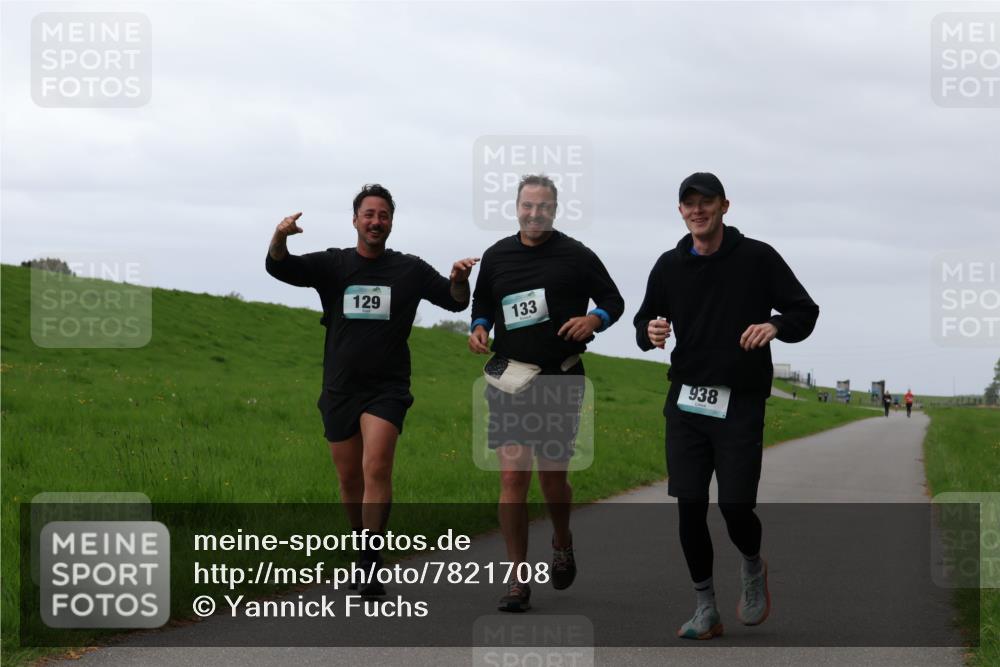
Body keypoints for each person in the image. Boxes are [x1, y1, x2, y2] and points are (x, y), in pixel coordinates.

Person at [265, 184, 477, 596]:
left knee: (376, 467)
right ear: (355, 220)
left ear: (391, 222)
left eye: (383, 215)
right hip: (340, 387)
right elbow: (281, 268)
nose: (376, 221)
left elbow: (454, 303)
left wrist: (459, 280)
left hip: (387, 387)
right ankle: (361, 544)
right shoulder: (334, 265)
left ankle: (369, 562)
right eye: (369, 214)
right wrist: (279, 236)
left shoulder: (409, 270)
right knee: (349, 481)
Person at [633, 172, 819, 639]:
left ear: (724, 206)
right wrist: (650, 332)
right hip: (687, 401)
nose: (698, 210)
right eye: (689, 203)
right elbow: (644, 320)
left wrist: (775, 326)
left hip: (740, 401)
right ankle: (706, 608)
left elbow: (804, 311)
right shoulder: (668, 265)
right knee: (689, 507)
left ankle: (753, 565)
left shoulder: (757, 258)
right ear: (680, 211)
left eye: (706, 202)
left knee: (735, 507)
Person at [468, 174, 625, 612]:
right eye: (527, 206)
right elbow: (482, 305)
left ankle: (562, 539)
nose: (534, 213)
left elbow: (614, 300)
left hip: (560, 378)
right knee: (512, 476)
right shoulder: (497, 256)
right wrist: (478, 326)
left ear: (555, 211)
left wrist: (595, 320)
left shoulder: (576, 255)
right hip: (510, 378)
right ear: (516, 207)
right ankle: (517, 579)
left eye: (543, 207)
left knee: (552, 479)